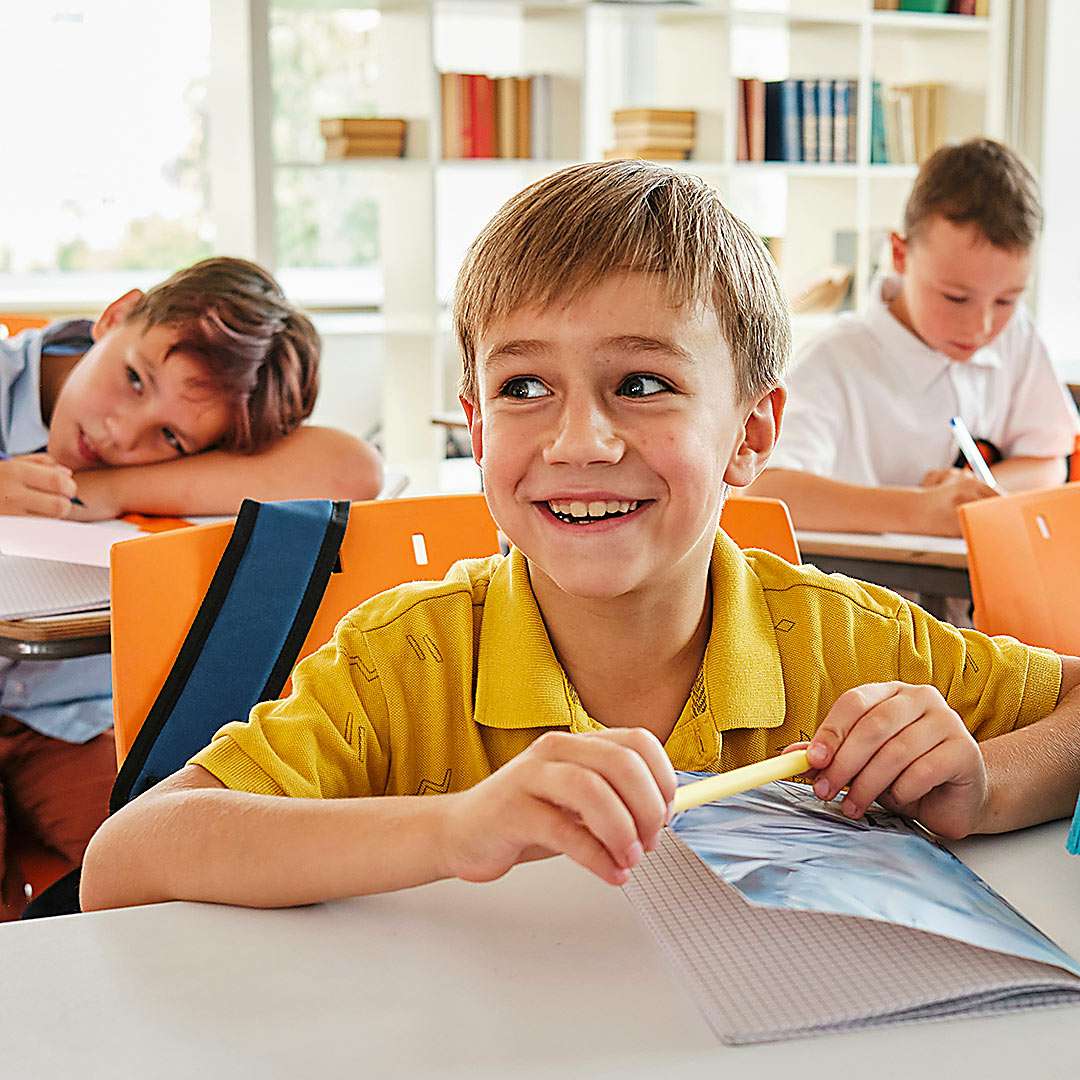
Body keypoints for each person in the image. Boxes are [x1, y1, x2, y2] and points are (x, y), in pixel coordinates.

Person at [80, 163, 1080, 913]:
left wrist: (985, 786)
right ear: (477, 433)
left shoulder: (849, 639)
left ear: (750, 435)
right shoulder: (404, 662)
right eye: (524, 388)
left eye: (641, 384)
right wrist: (454, 828)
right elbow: (125, 863)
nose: (580, 440)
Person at [0, 255, 382, 918]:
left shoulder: (169, 446)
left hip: (69, 718)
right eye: (133, 379)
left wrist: (106, 488)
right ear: (116, 314)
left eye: (170, 436)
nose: (122, 430)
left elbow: (351, 469)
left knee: (165, 877)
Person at [749, 138, 1079, 538]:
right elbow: (765, 491)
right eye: (956, 298)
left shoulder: (1016, 337)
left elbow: (1048, 461)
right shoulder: (834, 361)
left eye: (1008, 300)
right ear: (900, 256)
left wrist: (971, 499)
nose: (981, 325)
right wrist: (919, 510)